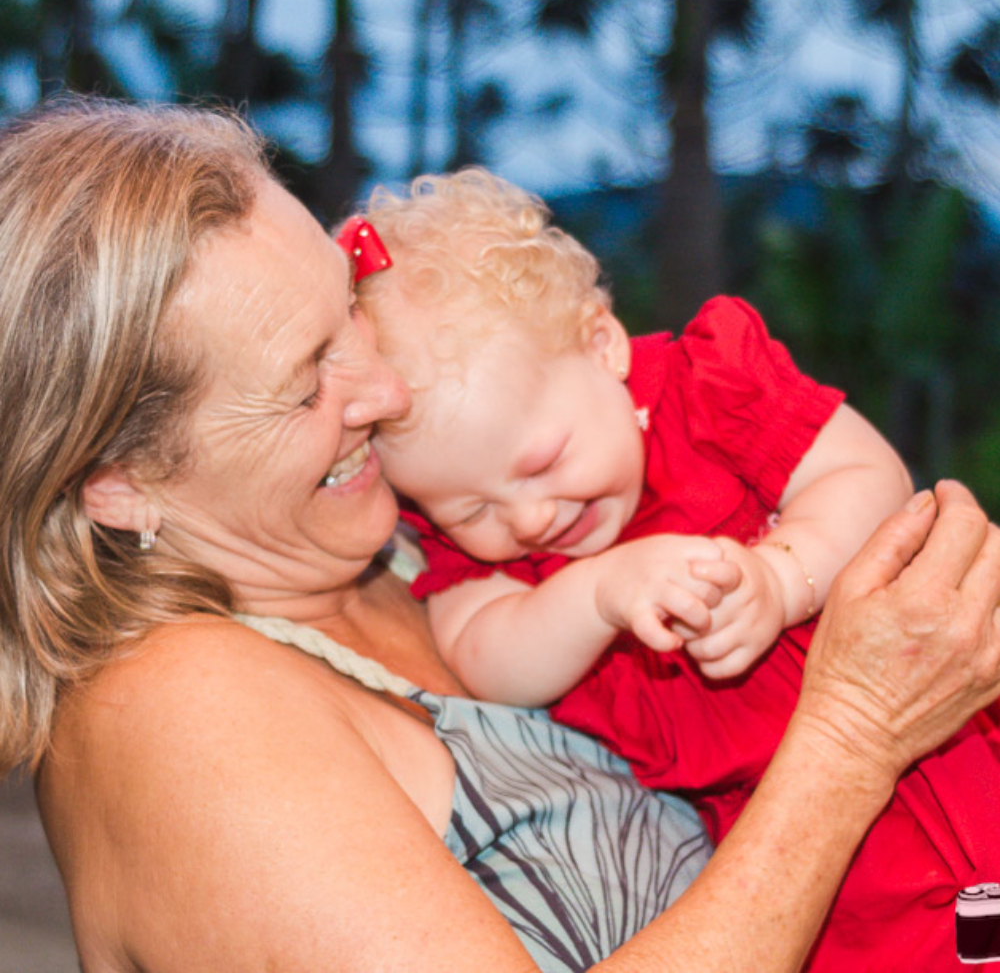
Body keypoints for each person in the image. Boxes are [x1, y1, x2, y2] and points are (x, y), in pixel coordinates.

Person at [0, 97, 997, 973]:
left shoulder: (405, 531)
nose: (387, 392)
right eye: (305, 383)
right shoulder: (174, 714)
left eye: (348, 313)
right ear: (119, 487)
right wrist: (855, 732)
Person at [357, 167, 1000, 969]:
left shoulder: (708, 393)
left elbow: (869, 480)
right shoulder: (511, 573)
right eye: (470, 511)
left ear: (602, 346)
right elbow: (486, 656)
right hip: (815, 863)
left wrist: (781, 576)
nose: (527, 518)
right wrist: (595, 592)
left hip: (956, 742)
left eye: (540, 460)